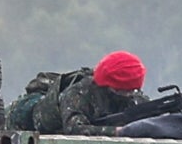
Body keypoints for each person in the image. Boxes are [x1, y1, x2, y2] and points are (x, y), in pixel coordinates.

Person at [13, 50, 152, 135]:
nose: (128, 95)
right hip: (25, 122)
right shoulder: (80, 93)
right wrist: (119, 132)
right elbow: (74, 129)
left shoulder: (132, 96)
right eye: (122, 91)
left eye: (131, 91)